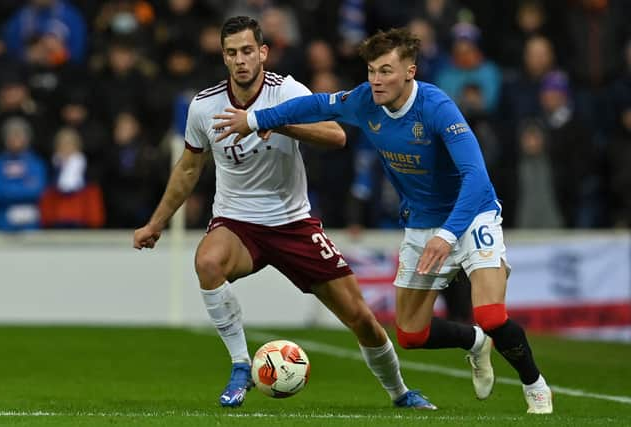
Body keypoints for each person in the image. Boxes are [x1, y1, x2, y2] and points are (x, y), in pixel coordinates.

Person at [213, 27, 553, 414]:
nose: (376, 80)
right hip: (422, 223)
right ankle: (475, 342)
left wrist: (447, 235)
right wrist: (255, 119)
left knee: (491, 313)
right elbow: (316, 106)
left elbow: (476, 178)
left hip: (471, 215)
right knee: (410, 334)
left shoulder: (437, 107)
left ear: (410, 72)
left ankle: (535, 385)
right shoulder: (364, 101)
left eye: (386, 71)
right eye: (372, 70)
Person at [133, 16, 435, 410]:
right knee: (207, 261)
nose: (240, 60)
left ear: (263, 53)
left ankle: (400, 392)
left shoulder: (286, 91)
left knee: (360, 316)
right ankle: (241, 364)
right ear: (223, 57)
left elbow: (337, 135)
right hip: (237, 223)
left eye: (246, 51)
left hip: (293, 223)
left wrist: (277, 125)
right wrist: (156, 223)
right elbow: (190, 167)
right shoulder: (204, 106)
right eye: (231, 53)